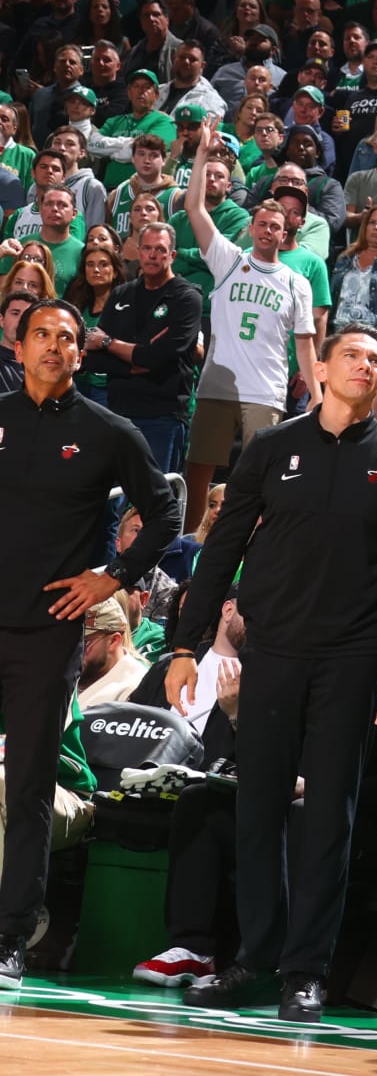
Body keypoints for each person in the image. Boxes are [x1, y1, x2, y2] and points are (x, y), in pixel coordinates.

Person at [168, 324, 377, 1022]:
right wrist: (187, 644)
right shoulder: (272, 446)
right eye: (351, 354)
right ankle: (255, 956)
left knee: (327, 821)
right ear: (323, 369)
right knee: (257, 809)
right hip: (272, 652)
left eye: (376, 360)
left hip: (350, 660)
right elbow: (222, 546)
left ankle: (306, 970)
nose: (364, 366)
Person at [0, 296, 179, 989]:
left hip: (47, 634)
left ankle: (12, 935)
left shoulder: (108, 431)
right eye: (40, 334)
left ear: (82, 352)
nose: (52, 345)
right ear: (19, 348)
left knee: (31, 785)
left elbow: (165, 513)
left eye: (66, 337)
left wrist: (113, 577)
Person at [179, 122, 320, 532]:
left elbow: (307, 345)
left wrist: (317, 393)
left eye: (275, 226)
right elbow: (195, 208)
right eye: (261, 224)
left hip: (267, 389)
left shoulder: (297, 282)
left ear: (286, 232)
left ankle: (254, 542)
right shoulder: (228, 260)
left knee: (262, 477)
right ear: (251, 227)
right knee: (199, 469)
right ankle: (189, 540)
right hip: (219, 384)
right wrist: (203, 155)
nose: (267, 230)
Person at [86, 221, 203, 472]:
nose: (152, 255)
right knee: (111, 497)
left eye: (160, 250)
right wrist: (131, 366)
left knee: (153, 501)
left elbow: (157, 358)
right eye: (147, 248)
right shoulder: (121, 295)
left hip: (163, 416)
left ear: (172, 255)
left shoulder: (186, 298)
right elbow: (92, 359)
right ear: (138, 252)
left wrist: (108, 343)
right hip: (117, 411)